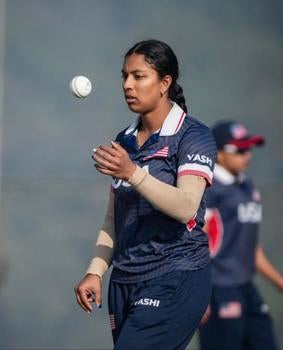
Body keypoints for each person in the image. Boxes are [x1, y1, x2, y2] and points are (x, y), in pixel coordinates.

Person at [74, 39, 217, 350]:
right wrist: (95, 272)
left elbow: (187, 208)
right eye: (125, 76)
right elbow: (114, 219)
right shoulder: (124, 141)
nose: (128, 85)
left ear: (165, 83)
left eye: (139, 77)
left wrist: (134, 173)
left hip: (176, 275)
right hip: (124, 282)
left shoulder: (193, 136)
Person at [199, 120, 283, 350]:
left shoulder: (246, 185)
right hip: (217, 289)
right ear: (218, 153)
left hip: (246, 287)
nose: (247, 155)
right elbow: (194, 245)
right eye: (239, 149)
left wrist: (280, 283)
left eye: (249, 148)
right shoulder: (208, 188)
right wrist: (198, 294)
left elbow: (252, 250)